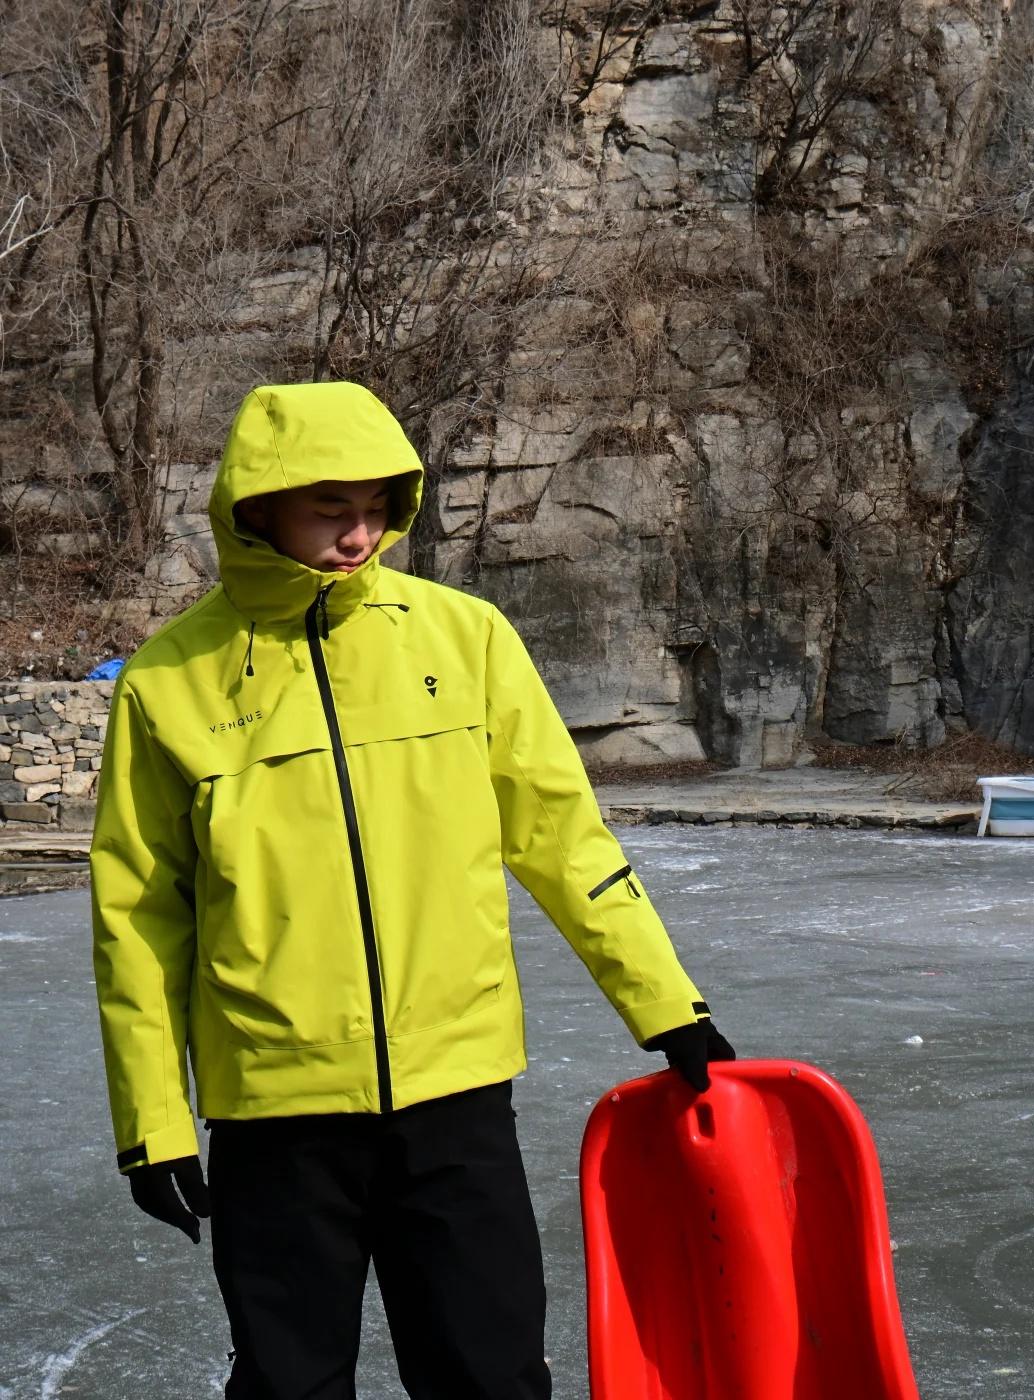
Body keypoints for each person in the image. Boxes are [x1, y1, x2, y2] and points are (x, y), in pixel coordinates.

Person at [91, 380, 735, 1400]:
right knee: (290, 1385)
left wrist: (667, 1006)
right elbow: (137, 917)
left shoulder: (464, 637)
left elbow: (563, 837)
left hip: (456, 1098)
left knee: (491, 1377)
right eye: (329, 510)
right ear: (256, 507)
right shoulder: (169, 681)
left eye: (376, 507)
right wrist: (152, 1121)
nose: (359, 535)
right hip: (276, 1111)